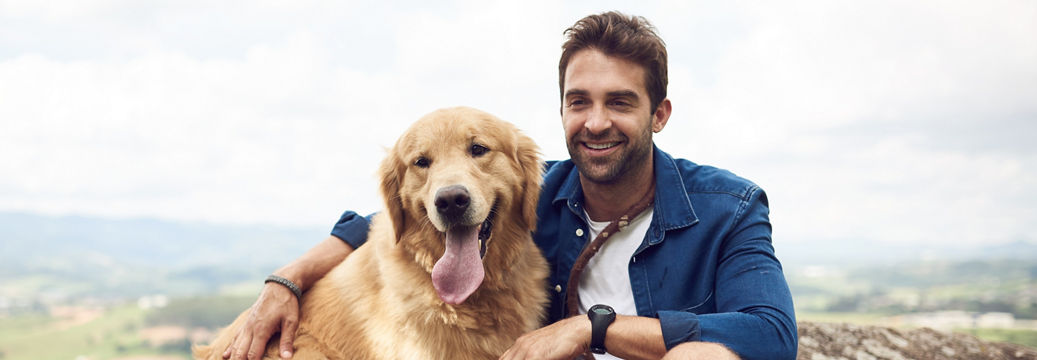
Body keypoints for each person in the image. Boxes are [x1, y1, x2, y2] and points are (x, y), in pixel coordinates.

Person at [221, 12, 797, 360]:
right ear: (563, 112)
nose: (595, 122)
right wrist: (287, 281)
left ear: (659, 114)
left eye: (619, 102)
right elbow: (374, 221)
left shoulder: (730, 208)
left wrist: (591, 329)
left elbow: (770, 336)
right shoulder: (533, 190)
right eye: (579, 102)